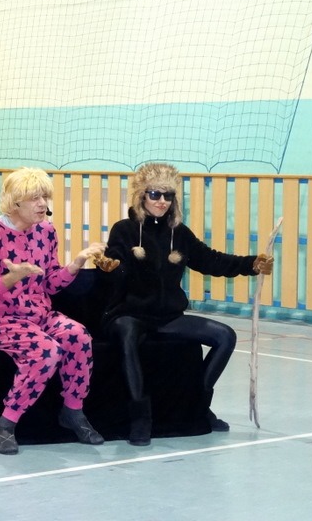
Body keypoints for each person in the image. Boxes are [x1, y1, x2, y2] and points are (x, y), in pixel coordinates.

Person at [101, 162, 274, 446]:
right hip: (129, 313)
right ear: (142, 196)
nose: (162, 201)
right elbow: (117, 263)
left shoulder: (179, 233)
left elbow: (211, 260)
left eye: (168, 195)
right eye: (155, 194)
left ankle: (198, 405)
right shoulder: (124, 229)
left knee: (225, 336)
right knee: (127, 335)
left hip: (168, 317)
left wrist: (251, 264)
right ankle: (140, 417)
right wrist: (111, 267)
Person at [0, 167, 114, 454]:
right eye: (35, 198)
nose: (42, 205)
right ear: (15, 202)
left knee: (79, 336)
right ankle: (6, 424)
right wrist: (13, 277)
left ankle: (73, 411)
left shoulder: (46, 231)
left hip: (39, 315)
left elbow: (50, 284)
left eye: (44, 198)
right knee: (47, 351)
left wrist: (76, 263)